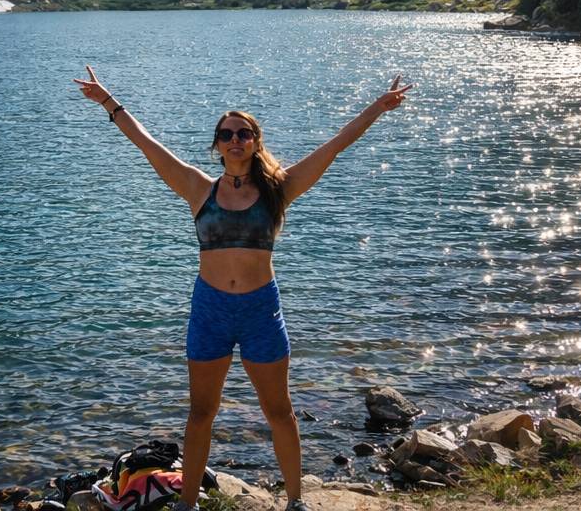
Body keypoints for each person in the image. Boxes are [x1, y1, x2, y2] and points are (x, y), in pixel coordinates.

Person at [73, 66, 412, 511]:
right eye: (227, 133)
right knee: (201, 413)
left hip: (260, 311)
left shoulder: (280, 189)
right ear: (217, 144)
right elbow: (146, 144)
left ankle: (296, 502)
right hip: (210, 309)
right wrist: (109, 103)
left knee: (280, 412)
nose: (236, 139)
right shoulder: (197, 187)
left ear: (255, 141)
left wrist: (377, 108)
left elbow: (335, 146)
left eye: (244, 133)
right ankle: (187, 504)